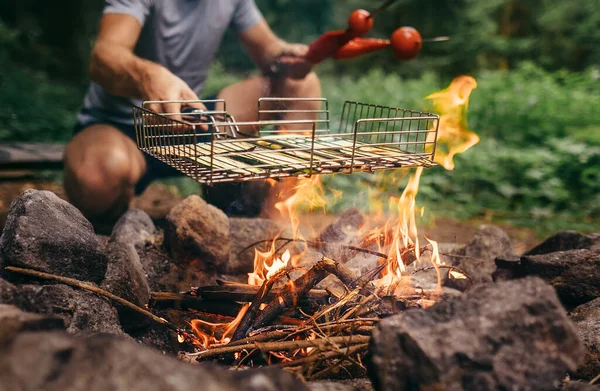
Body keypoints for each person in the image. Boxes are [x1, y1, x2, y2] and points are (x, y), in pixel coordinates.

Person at [64, 0, 321, 229]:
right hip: (121, 125)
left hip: (193, 122)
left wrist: (289, 57)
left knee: (302, 85)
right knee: (98, 176)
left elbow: (270, 52)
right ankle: (113, 225)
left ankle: (277, 227)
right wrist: (148, 76)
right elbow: (103, 56)